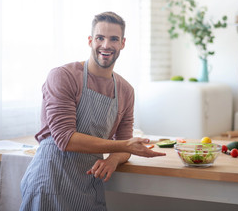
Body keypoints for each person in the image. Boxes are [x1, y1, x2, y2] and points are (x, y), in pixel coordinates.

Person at [20, 11, 165, 211]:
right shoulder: (64, 76)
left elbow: (124, 144)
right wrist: (125, 146)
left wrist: (114, 159)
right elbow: (65, 139)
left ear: (122, 43)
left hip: (88, 184)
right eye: (100, 38)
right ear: (90, 40)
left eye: (113, 39)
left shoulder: (125, 90)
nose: (106, 45)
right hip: (50, 181)